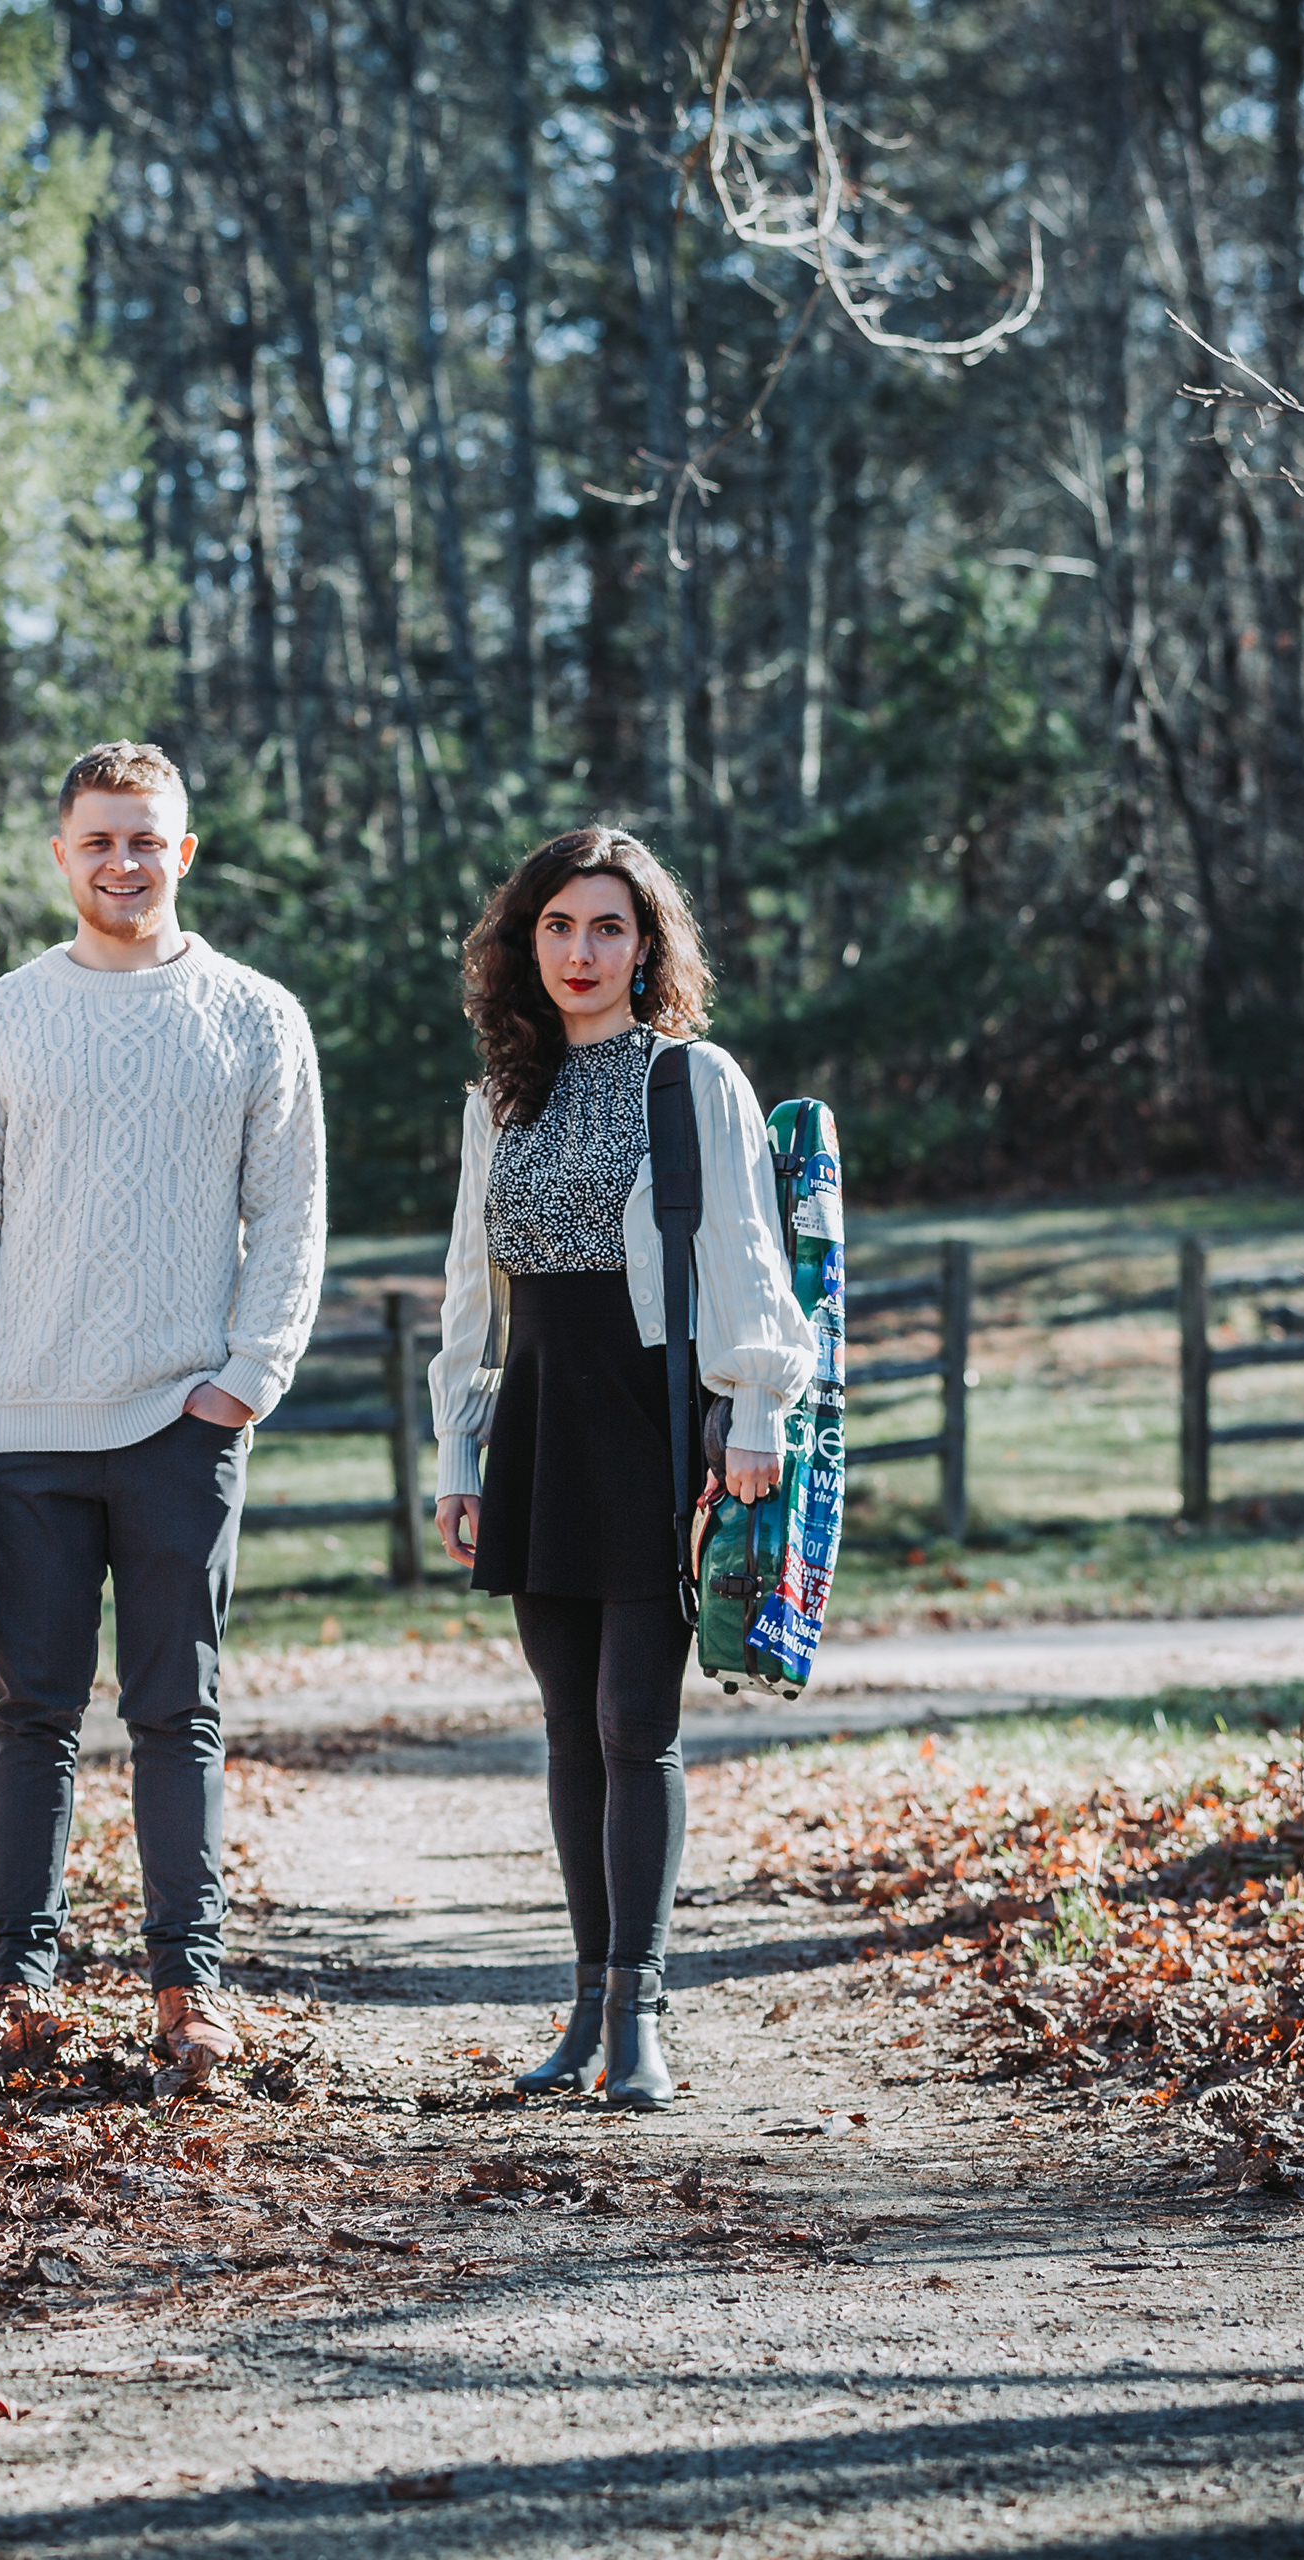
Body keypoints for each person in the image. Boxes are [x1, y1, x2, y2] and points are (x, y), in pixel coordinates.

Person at [0, 741, 326, 2097]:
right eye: (100, 840)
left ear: (183, 852)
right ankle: (18, 1986)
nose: (124, 862)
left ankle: (188, 1991)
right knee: (30, 1716)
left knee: (174, 1712)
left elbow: (293, 1214)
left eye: (148, 839)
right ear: (61, 854)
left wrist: (247, 1378)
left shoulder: (256, 1017)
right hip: (24, 1431)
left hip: (178, 1425)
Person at [427, 829, 814, 2111]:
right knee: (566, 1728)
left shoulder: (692, 1080)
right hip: (537, 1423)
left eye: (607, 928)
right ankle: (586, 2002)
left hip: (652, 1424)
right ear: (523, 943)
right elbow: (468, 1303)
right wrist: (458, 1451)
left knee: (633, 1723)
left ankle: (643, 2016)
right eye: (557, 927)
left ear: (647, 945)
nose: (580, 953)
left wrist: (753, 1412)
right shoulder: (499, 1097)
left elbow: (749, 1259)